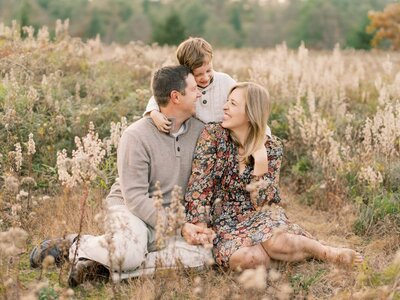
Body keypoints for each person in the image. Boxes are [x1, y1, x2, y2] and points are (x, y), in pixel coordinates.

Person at [30, 65, 215, 286]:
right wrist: (180, 226)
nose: (200, 93)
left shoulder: (201, 131)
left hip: (171, 219)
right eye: (194, 89)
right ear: (176, 97)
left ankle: (100, 268)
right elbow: (135, 199)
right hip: (131, 211)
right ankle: (74, 243)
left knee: (203, 255)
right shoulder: (136, 136)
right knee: (129, 254)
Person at [183, 82, 363, 270]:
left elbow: (267, 204)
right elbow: (199, 186)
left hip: (258, 214)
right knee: (249, 258)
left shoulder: (272, 147)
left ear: (251, 112)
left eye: (233, 104)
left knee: (277, 243)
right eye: (227, 101)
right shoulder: (213, 135)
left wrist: (260, 165)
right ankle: (280, 256)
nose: (225, 106)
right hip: (223, 220)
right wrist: (200, 225)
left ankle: (328, 253)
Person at [144, 37, 236, 131]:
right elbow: (159, 96)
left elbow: (243, 97)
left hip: (225, 134)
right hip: (195, 137)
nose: (205, 77)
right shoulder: (185, 84)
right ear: (186, 71)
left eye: (209, 70)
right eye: (198, 74)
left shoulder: (225, 81)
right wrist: (154, 112)